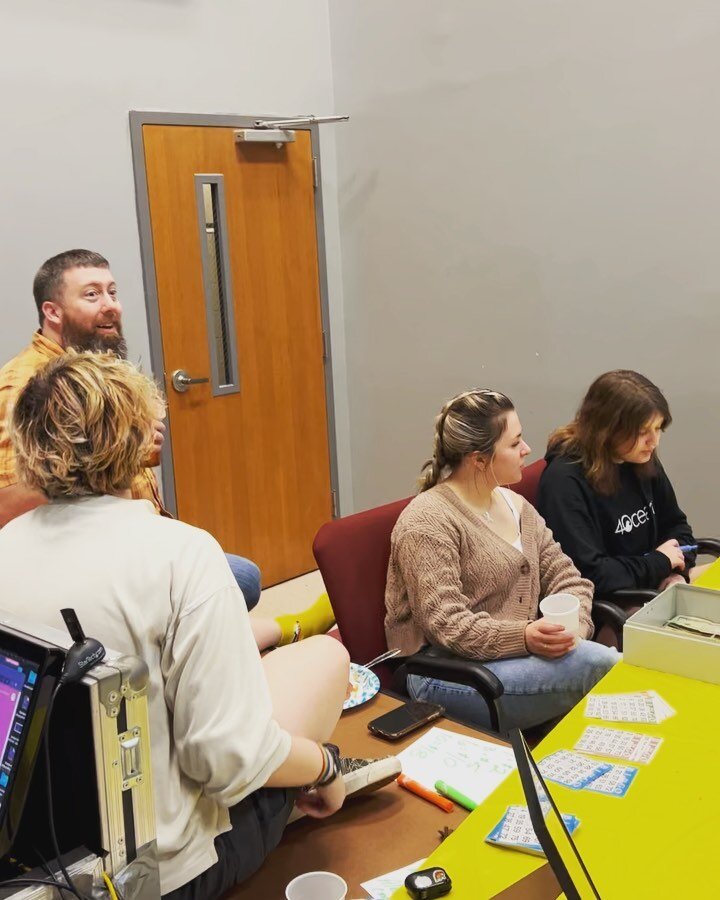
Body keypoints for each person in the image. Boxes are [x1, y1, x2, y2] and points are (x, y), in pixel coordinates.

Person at [0, 351, 400, 899]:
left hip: (40, 852)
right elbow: (223, 760)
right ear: (138, 436)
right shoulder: (179, 554)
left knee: (249, 652)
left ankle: (277, 638)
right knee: (326, 659)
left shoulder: (6, 546)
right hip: (166, 874)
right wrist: (324, 767)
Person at [0, 249, 263, 609]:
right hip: (87, 565)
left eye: (113, 291)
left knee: (220, 570)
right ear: (52, 311)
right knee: (241, 579)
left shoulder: (93, 372)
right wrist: (119, 452)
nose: (111, 306)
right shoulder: (26, 384)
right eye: (92, 295)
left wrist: (125, 453)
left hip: (130, 542)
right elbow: (7, 507)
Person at [385, 389, 619, 732]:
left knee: (592, 663)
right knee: (599, 667)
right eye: (515, 444)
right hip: (447, 674)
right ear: (479, 459)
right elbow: (447, 624)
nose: (526, 450)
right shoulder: (426, 522)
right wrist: (525, 638)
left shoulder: (515, 504)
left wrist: (574, 631)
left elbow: (569, 578)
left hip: (511, 658)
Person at [537, 370, 708, 601]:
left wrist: (676, 572)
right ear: (607, 431)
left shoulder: (640, 458)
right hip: (611, 604)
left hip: (654, 585)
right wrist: (659, 563)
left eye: (658, 429)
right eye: (642, 432)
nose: (654, 441)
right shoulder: (564, 481)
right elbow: (589, 573)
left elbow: (677, 526)